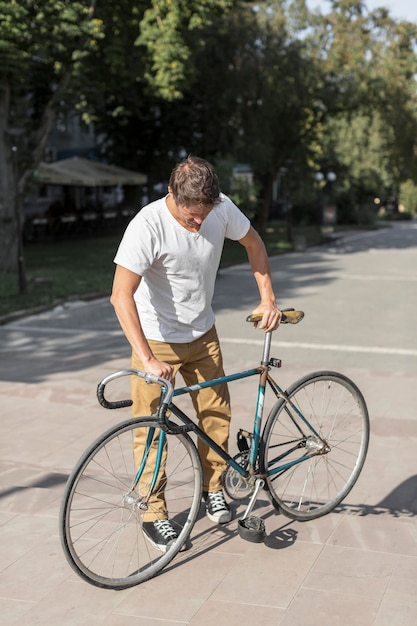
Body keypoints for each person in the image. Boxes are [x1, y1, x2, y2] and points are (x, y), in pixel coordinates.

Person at [110, 155, 281, 552]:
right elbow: (121, 296)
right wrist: (148, 359)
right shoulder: (147, 225)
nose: (199, 225)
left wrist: (267, 298)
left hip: (204, 335)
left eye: (204, 216)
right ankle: (154, 512)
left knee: (215, 416)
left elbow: (253, 242)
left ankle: (214, 489)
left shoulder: (220, 208)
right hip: (156, 341)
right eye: (191, 218)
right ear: (172, 194)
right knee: (152, 429)